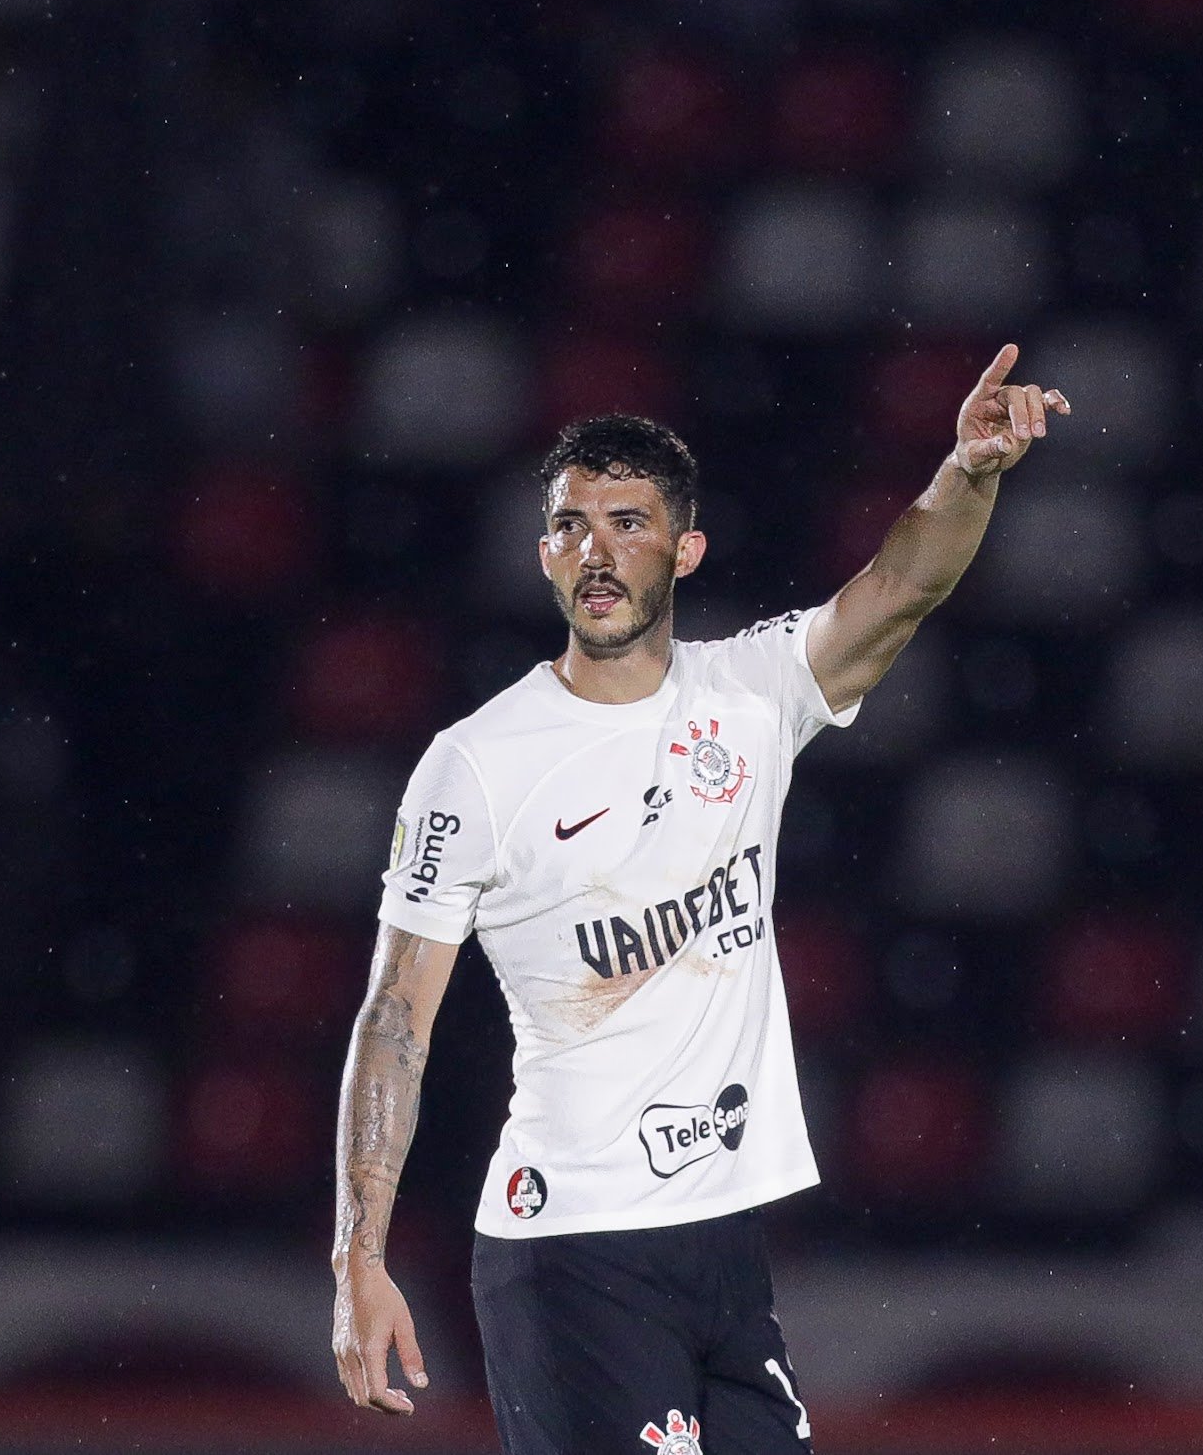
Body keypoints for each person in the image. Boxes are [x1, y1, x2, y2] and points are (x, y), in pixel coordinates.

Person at [331, 345, 1071, 1454]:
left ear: (684, 549)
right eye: (572, 524)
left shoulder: (749, 695)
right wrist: (358, 1253)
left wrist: (967, 471)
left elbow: (901, 586)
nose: (597, 550)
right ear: (542, 553)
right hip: (571, 1245)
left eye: (627, 523)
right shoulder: (475, 765)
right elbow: (394, 1016)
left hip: (720, 1240)